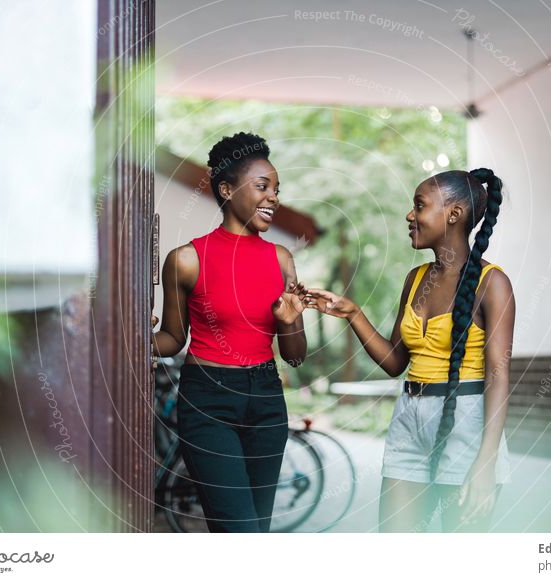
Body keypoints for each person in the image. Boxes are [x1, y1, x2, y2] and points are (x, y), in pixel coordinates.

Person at [305, 169, 514, 532]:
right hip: (409, 418)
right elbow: (395, 362)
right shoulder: (416, 279)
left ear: (454, 214)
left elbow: (498, 375)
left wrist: (486, 461)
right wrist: (352, 313)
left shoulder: (492, 282)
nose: (409, 215)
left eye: (419, 205)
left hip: (467, 421)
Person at [151, 132, 307, 532]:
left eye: (276, 189)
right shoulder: (185, 259)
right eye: (262, 186)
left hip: (267, 401)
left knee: (257, 526)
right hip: (209, 401)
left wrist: (289, 322)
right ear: (226, 188)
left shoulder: (282, 259)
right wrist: (140, 341)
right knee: (239, 530)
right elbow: (173, 337)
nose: (273, 196)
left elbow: (294, 353)